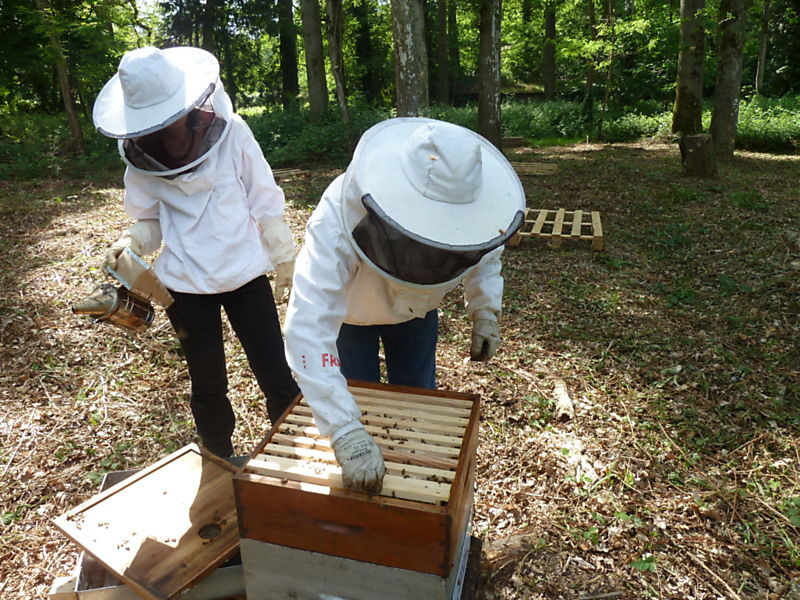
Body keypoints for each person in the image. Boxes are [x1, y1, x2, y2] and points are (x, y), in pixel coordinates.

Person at [283, 117, 526, 493]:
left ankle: (415, 486)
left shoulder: (478, 208)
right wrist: (345, 431)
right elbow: (308, 326)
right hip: (353, 318)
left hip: (417, 314)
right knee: (359, 400)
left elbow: (486, 247)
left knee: (418, 405)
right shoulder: (337, 215)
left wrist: (485, 309)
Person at [93, 46, 300, 458]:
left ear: (187, 108)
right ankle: (218, 459)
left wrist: (282, 251)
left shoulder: (233, 131)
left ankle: (291, 454)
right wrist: (131, 242)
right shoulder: (140, 158)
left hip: (245, 276)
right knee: (207, 383)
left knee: (275, 373)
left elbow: (263, 200)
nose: (161, 133)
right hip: (185, 287)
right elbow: (151, 222)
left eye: (167, 122)